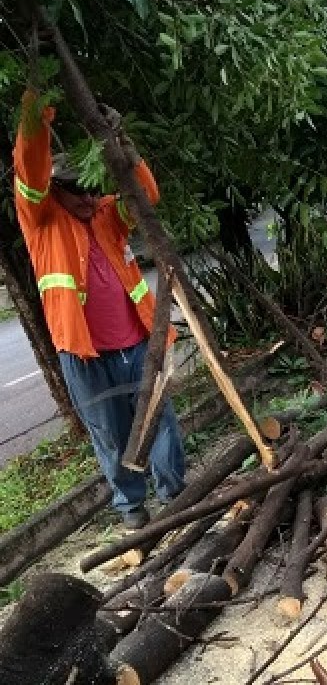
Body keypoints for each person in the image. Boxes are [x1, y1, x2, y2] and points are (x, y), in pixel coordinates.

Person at [13, 87, 186, 528]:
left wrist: (123, 147)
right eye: (77, 194)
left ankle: (177, 496)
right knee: (109, 432)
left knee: (159, 420)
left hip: (138, 343)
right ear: (56, 192)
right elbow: (29, 166)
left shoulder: (109, 212)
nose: (89, 201)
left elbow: (145, 195)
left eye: (92, 192)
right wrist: (38, 109)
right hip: (85, 353)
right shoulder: (41, 221)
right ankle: (132, 509)